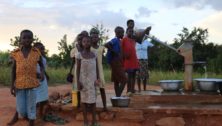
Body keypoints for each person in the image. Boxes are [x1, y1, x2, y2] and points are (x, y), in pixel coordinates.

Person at [8, 29, 44, 126]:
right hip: (19, 85)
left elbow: (41, 64)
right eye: (24, 38)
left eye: (29, 38)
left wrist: (42, 73)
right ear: (20, 39)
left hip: (32, 85)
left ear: (32, 39)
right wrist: (12, 85)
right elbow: (13, 70)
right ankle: (27, 116)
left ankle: (31, 122)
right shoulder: (16, 53)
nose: (27, 40)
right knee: (22, 110)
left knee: (31, 106)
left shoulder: (36, 52)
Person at [76, 36, 100, 126]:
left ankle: (94, 121)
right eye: (84, 41)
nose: (86, 43)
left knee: (93, 102)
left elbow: (97, 67)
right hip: (83, 82)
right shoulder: (79, 55)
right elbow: (77, 70)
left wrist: (98, 79)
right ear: (82, 43)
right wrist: (78, 82)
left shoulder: (95, 54)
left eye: (88, 41)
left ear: (91, 43)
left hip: (92, 81)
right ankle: (85, 121)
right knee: (84, 102)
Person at [104, 26, 127, 97]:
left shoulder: (119, 41)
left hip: (117, 62)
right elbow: (106, 44)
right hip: (115, 63)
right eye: (122, 33)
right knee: (124, 80)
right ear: (118, 33)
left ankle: (117, 97)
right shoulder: (115, 40)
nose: (123, 34)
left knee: (116, 81)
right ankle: (118, 96)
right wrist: (114, 52)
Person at [69, 31, 88, 108]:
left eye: (82, 39)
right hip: (77, 71)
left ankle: (86, 103)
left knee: (86, 87)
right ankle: (78, 104)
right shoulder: (74, 50)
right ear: (77, 40)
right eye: (79, 39)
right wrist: (70, 72)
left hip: (86, 71)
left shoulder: (87, 49)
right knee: (77, 88)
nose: (80, 41)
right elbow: (73, 62)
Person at [90, 28, 107, 111]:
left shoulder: (101, 48)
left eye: (96, 37)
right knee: (92, 89)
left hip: (100, 70)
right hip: (91, 71)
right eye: (93, 37)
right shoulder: (88, 48)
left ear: (98, 38)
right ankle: (93, 107)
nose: (95, 39)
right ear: (90, 38)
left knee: (102, 88)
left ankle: (105, 106)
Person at [122, 28, 139, 95]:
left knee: (134, 75)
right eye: (130, 31)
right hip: (128, 61)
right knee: (129, 76)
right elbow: (121, 49)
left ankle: (132, 89)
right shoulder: (124, 39)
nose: (131, 33)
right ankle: (128, 90)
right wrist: (124, 55)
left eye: (132, 31)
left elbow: (141, 37)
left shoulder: (133, 40)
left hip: (134, 60)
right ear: (126, 32)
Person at [34, 42, 49, 117]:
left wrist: (46, 75)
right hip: (34, 80)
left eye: (43, 49)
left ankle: (40, 113)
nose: (42, 50)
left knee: (43, 97)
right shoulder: (31, 58)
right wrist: (37, 75)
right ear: (35, 50)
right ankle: (33, 114)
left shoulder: (43, 59)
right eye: (41, 49)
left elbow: (43, 69)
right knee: (35, 98)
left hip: (42, 81)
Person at [136, 26, 153, 92]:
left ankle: (145, 88)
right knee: (138, 75)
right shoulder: (136, 42)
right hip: (137, 60)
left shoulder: (146, 42)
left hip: (145, 60)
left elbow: (153, 47)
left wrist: (149, 54)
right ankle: (139, 89)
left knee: (145, 75)